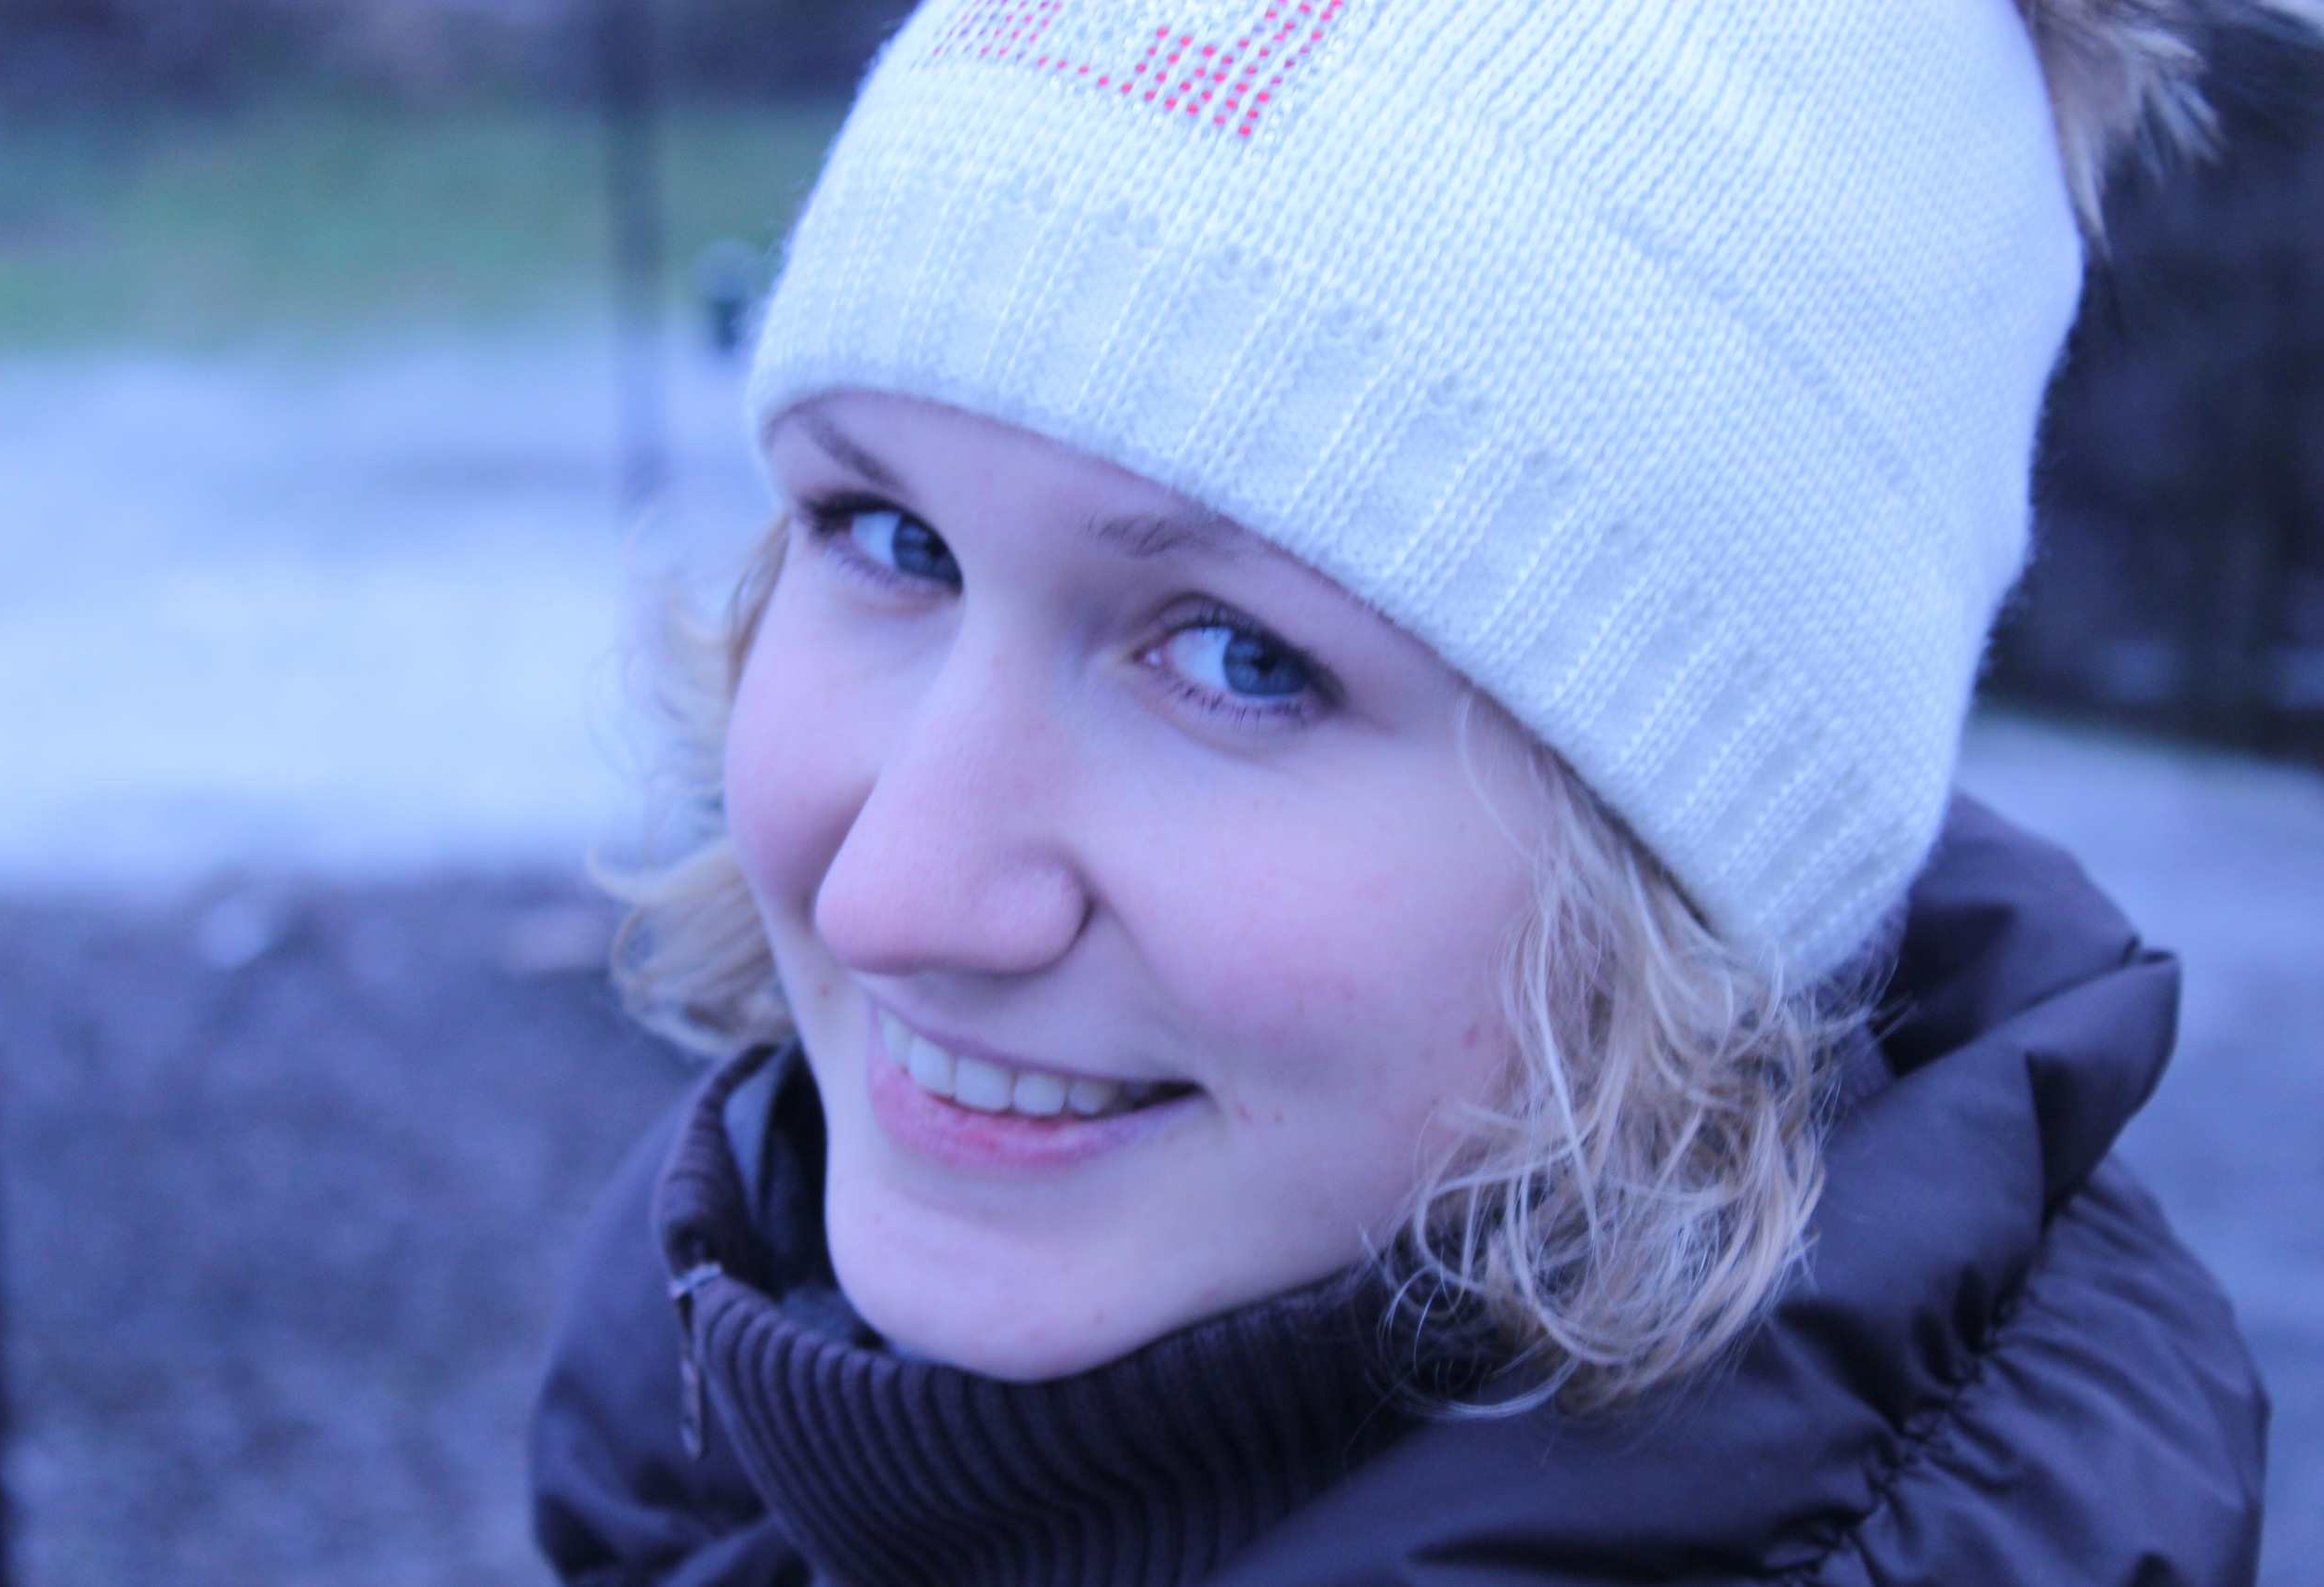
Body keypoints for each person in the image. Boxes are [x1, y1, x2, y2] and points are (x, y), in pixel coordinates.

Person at [531, 2, 2295, 1580]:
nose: (890, 895)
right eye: (889, 538)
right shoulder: (692, 1460)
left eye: (1240, 658)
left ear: (1691, 889)